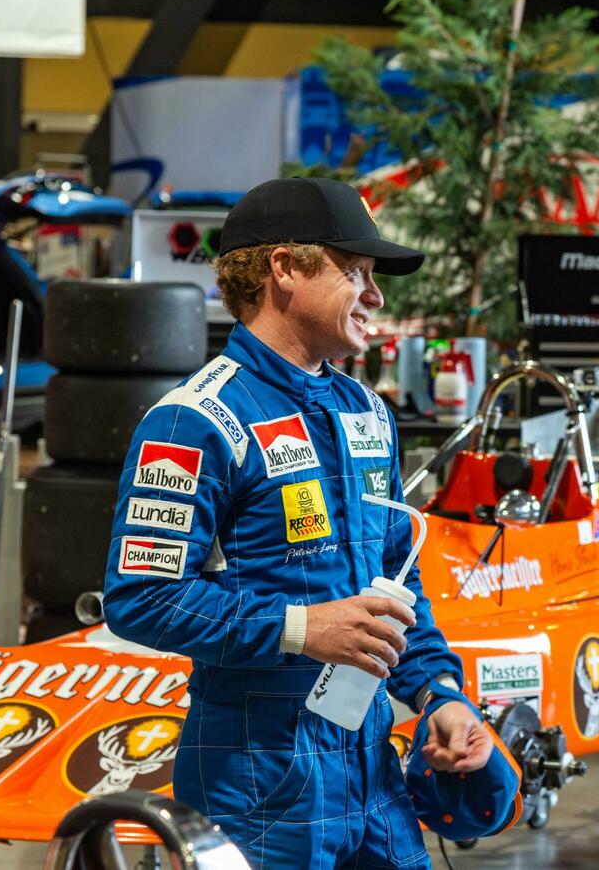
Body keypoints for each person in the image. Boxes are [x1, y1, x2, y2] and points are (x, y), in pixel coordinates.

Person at [104, 177, 491, 868]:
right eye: (355, 271)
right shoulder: (192, 420)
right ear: (284, 268)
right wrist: (304, 629)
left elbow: (397, 589)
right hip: (251, 779)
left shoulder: (368, 415)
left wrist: (439, 696)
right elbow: (142, 598)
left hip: (372, 768)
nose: (375, 296)